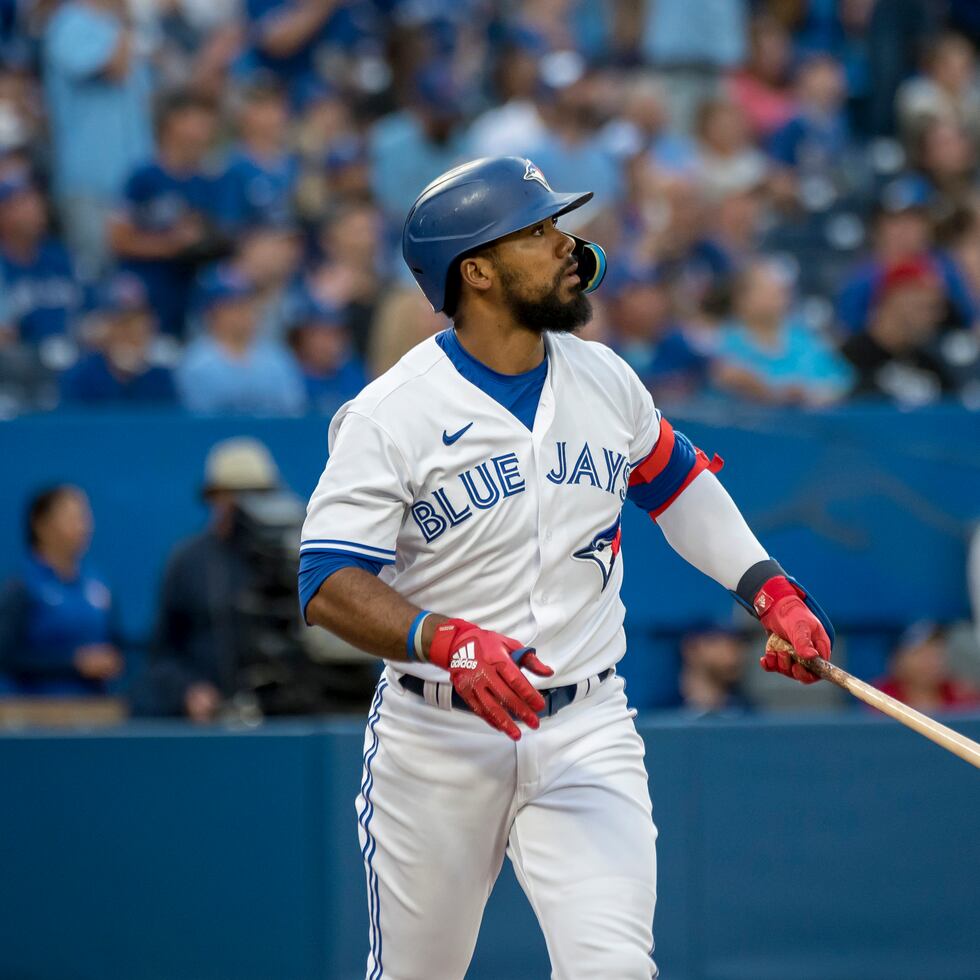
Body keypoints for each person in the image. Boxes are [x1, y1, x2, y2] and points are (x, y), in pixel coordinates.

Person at [300, 156, 835, 979]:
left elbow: (677, 485)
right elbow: (327, 582)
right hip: (439, 734)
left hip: (585, 722)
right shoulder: (388, 414)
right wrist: (446, 641)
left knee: (614, 969)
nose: (566, 245)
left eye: (558, 225)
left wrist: (769, 589)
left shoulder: (604, 376)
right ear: (476, 272)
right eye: (538, 230)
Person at [145, 438, 279, 721]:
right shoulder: (188, 561)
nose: (247, 507)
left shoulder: (288, 560)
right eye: (236, 494)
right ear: (215, 497)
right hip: (210, 721)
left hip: (281, 718)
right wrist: (187, 690)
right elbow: (162, 654)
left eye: (258, 495)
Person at [108, 90, 229, 337]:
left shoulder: (207, 181)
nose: (205, 128)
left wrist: (203, 239)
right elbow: (117, 239)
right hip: (144, 291)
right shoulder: (142, 177)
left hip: (188, 293)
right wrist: (172, 244)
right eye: (196, 119)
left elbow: (217, 241)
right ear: (173, 121)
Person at [0, 485, 123, 695]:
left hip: (94, 713)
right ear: (40, 524)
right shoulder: (20, 586)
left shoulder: (98, 586)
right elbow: (7, 654)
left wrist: (112, 661)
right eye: (72, 517)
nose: (83, 527)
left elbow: (117, 643)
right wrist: (73, 663)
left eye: (85, 517)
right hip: (34, 713)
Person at [175, 265, 306, 415]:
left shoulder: (277, 358)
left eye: (246, 304)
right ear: (210, 313)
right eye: (231, 306)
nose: (242, 313)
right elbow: (195, 421)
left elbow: (293, 413)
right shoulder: (195, 362)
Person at [59, 272, 177, 405]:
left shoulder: (160, 378)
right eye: (121, 322)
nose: (130, 332)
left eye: (137, 321)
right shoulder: (80, 377)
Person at [0, 167, 82, 345]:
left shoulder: (63, 257)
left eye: (37, 199)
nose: (37, 208)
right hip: (20, 366)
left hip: (71, 359)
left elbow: (92, 313)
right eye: (25, 202)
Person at [875, 621, 979, 712]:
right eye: (920, 653)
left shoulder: (963, 698)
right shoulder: (877, 698)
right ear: (896, 659)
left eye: (937, 651)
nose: (932, 661)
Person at [677, 624, 752, 715]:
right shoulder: (662, 713)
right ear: (691, 649)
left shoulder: (752, 713)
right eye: (717, 641)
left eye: (738, 643)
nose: (733, 652)